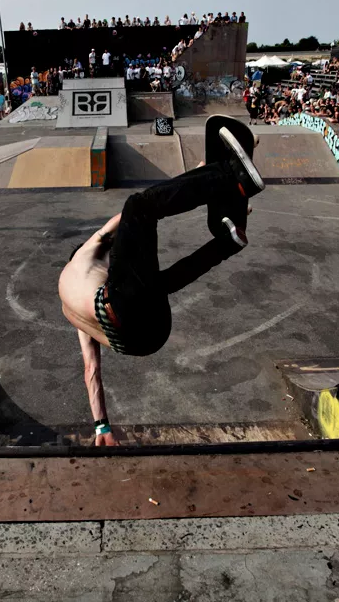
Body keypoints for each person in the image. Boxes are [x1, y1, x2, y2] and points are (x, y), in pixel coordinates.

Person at [57, 117, 264, 445]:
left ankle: (229, 242)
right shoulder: (87, 252)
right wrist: (202, 176)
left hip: (146, 339)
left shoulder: (76, 314)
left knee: (156, 282)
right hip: (125, 310)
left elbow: (91, 372)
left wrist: (102, 428)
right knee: (137, 207)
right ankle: (233, 177)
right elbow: (124, 220)